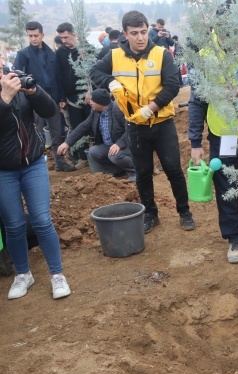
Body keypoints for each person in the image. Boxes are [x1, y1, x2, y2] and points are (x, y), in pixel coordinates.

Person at [90, 10, 195, 234]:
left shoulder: (161, 54)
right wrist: (110, 83)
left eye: (144, 32)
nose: (140, 37)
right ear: (125, 35)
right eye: (135, 33)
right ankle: (150, 213)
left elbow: (173, 86)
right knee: (143, 172)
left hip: (162, 124)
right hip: (135, 126)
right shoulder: (114, 55)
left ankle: (184, 211)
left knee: (173, 169)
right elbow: (95, 71)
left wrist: (150, 108)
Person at [188, 8, 238, 264]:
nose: (228, 40)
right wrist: (194, 141)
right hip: (223, 134)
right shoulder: (205, 55)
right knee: (227, 185)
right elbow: (197, 100)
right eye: (223, 35)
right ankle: (234, 236)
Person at [0, 69, 72, 300]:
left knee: (42, 219)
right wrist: (5, 99)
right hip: (3, 171)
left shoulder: (15, 80)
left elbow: (50, 110)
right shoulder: (7, 91)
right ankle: (23, 274)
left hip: (33, 164)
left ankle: (57, 274)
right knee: (14, 225)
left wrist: (34, 91)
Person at [13, 21, 72, 172]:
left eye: (36, 35)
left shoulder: (51, 54)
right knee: (36, 133)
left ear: (42, 35)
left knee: (57, 131)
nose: (33, 38)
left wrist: (61, 98)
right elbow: (17, 79)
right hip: (32, 100)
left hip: (52, 98)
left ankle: (60, 162)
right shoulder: (23, 55)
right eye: (30, 36)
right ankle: (36, 165)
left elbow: (58, 78)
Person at [57, 89, 135, 181]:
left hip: (127, 145)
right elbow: (84, 127)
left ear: (101, 103)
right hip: (111, 145)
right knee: (94, 152)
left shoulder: (118, 110)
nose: (90, 102)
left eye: (92, 100)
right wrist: (67, 143)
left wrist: (119, 144)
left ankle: (137, 171)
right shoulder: (95, 112)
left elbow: (131, 130)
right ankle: (118, 171)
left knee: (114, 156)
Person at [56, 22, 92, 167]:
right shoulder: (60, 53)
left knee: (93, 125)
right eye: (61, 38)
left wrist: (90, 89)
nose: (63, 41)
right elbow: (58, 76)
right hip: (71, 98)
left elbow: (94, 71)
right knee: (77, 126)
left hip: (88, 96)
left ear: (74, 34)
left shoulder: (86, 49)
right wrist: (61, 97)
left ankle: (97, 154)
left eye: (66, 37)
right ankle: (82, 157)